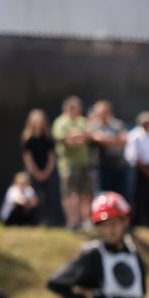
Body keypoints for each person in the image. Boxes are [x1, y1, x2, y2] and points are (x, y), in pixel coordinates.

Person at [53, 97, 95, 230]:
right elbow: (67, 140)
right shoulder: (61, 122)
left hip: (85, 163)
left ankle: (86, 221)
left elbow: (89, 137)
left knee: (86, 193)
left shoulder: (83, 121)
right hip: (69, 164)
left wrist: (78, 136)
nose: (76, 110)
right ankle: (73, 221)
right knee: (71, 194)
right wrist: (79, 137)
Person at [21, 109, 59, 228]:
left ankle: (48, 221)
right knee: (34, 197)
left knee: (48, 197)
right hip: (33, 172)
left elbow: (52, 157)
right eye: (35, 120)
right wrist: (36, 173)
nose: (38, 123)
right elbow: (28, 158)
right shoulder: (27, 139)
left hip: (47, 171)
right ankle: (34, 221)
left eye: (40, 120)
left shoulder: (48, 138)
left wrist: (46, 172)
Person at [124, 110, 149, 224]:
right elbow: (135, 157)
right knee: (138, 197)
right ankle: (137, 222)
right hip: (139, 170)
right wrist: (148, 171)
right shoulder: (135, 135)